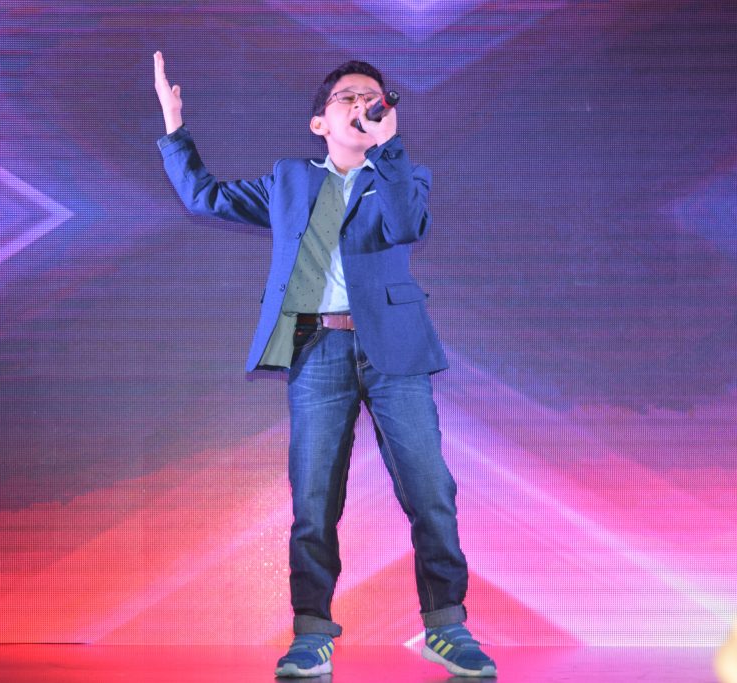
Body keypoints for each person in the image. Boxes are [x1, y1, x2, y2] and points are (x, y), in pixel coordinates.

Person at [153, 50, 496, 678]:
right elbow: (205, 197)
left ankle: (447, 625)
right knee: (314, 498)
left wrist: (387, 149)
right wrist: (175, 129)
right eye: (348, 97)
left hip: (394, 351)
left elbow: (405, 225)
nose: (362, 103)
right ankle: (311, 632)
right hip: (317, 349)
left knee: (430, 489)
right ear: (320, 123)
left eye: (372, 96)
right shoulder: (289, 181)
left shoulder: (402, 173)